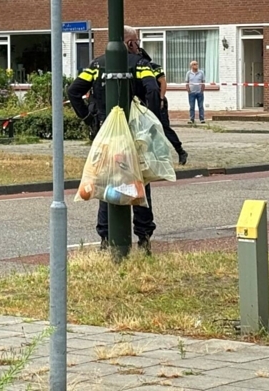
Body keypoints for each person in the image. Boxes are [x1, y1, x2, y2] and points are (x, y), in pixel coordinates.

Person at [68, 26, 162, 254]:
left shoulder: (96, 65)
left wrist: (89, 118)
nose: (138, 45)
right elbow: (153, 90)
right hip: (133, 135)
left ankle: (105, 237)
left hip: (105, 134)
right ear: (129, 43)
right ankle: (144, 237)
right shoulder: (140, 65)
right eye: (136, 41)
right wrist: (151, 119)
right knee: (140, 182)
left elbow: (73, 91)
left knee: (106, 182)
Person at [146, 58, 189, 165]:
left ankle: (181, 151)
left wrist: (161, 99)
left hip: (157, 101)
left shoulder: (154, 67)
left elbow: (163, 83)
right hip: (145, 102)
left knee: (164, 128)